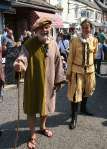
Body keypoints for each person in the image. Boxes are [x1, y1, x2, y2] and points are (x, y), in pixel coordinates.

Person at [13, 16, 65, 149]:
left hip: (48, 83)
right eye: (41, 28)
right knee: (31, 110)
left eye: (47, 27)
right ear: (36, 30)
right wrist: (19, 64)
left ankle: (42, 127)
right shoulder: (29, 44)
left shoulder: (53, 44)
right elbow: (22, 57)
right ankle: (32, 135)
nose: (45, 30)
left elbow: (58, 62)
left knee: (45, 108)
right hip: (33, 84)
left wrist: (58, 80)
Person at [66, 19, 98, 129]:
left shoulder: (94, 40)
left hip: (89, 71)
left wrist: (91, 67)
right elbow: (70, 58)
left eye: (88, 27)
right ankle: (74, 118)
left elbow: (94, 55)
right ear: (81, 28)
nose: (86, 29)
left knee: (86, 90)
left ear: (91, 28)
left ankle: (83, 109)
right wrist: (68, 72)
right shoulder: (74, 40)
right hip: (77, 70)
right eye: (84, 27)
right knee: (75, 93)